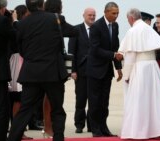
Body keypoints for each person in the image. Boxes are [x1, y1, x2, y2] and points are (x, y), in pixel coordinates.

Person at [7, 0, 75, 140]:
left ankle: (13, 138)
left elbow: (21, 49)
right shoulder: (55, 19)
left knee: (25, 110)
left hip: (31, 73)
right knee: (57, 110)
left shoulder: (22, 24)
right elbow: (74, 32)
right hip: (53, 73)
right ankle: (58, 137)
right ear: (42, 5)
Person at [118, 8, 160, 139]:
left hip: (140, 68)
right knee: (155, 99)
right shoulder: (149, 28)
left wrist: (126, 75)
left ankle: (139, 131)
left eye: (128, 19)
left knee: (140, 100)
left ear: (131, 18)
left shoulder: (133, 31)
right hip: (152, 67)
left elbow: (131, 56)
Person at [42, 0, 79, 138]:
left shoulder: (34, 20)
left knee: (30, 105)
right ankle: (54, 133)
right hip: (53, 69)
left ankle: (46, 128)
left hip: (34, 68)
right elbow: (74, 31)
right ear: (58, 8)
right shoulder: (57, 20)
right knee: (56, 105)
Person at [86, 1, 122, 137]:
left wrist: (118, 67)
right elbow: (95, 49)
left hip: (107, 70)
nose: (116, 15)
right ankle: (95, 129)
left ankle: (103, 127)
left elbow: (115, 46)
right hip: (95, 70)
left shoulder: (116, 25)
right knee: (94, 102)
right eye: (113, 13)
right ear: (106, 12)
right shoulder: (96, 26)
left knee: (104, 102)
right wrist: (113, 55)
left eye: (117, 13)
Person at [68, 7, 96, 134]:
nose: (92, 17)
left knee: (93, 99)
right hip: (80, 71)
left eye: (94, 15)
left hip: (95, 71)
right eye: (89, 15)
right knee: (80, 99)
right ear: (83, 15)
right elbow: (71, 52)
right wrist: (72, 71)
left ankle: (91, 125)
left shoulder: (97, 29)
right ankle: (79, 124)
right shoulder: (76, 30)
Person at [9, 4, 32, 140]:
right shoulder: (17, 26)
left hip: (20, 61)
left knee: (18, 98)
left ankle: (17, 129)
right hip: (17, 62)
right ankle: (17, 131)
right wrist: (16, 20)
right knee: (17, 98)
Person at [0, 0, 16, 140]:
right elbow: (14, 36)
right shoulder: (3, 20)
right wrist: (14, 21)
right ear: (3, 8)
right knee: (1, 106)